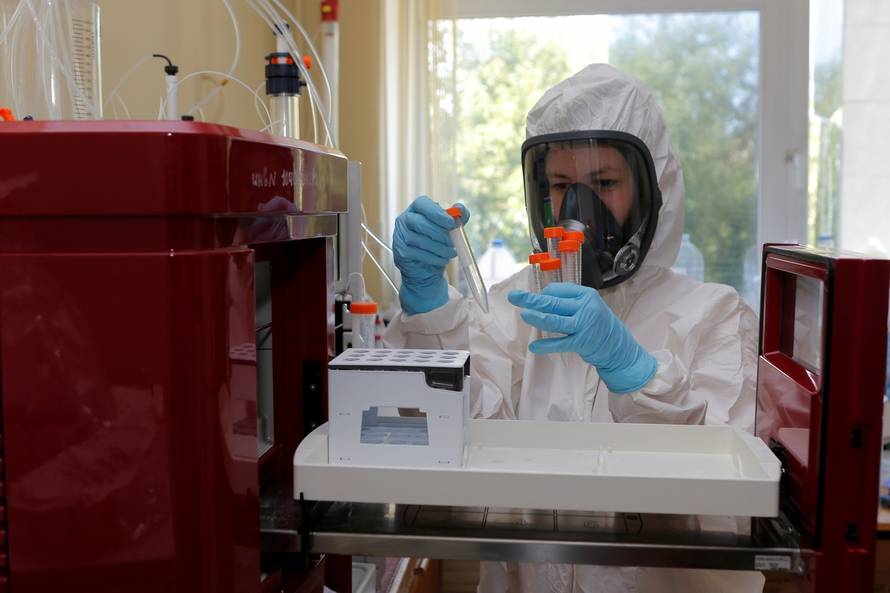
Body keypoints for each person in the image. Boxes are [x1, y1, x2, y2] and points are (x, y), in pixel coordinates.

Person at [384, 64, 763, 593]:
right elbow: (448, 445)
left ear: (654, 191)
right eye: (561, 185)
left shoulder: (715, 316)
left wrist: (637, 377)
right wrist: (430, 317)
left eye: (604, 183)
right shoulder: (515, 307)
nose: (578, 209)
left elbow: (723, 510)